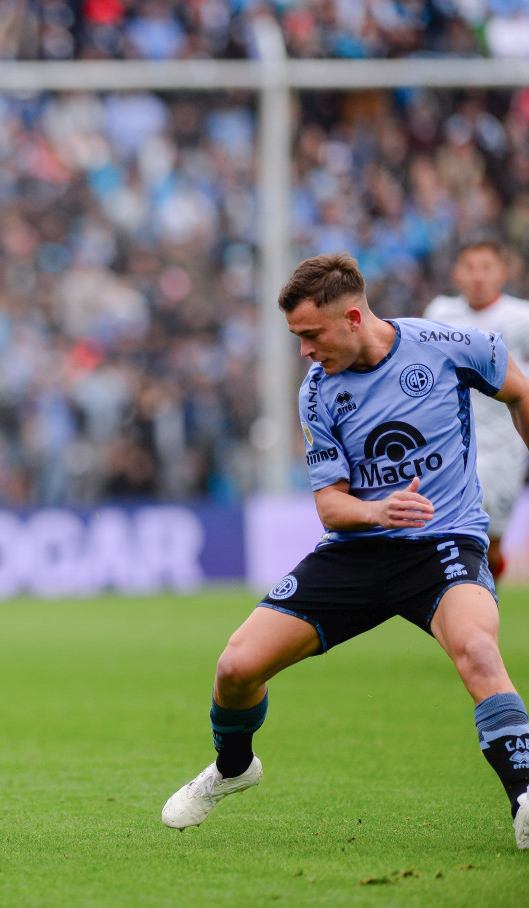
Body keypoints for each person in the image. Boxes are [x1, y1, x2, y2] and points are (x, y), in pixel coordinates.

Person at [161, 252, 529, 849]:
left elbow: (519, 390)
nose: (304, 351)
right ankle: (234, 769)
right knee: (235, 668)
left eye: (311, 335)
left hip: (443, 543)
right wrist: (376, 511)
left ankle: (526, 797)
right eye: (296, 338)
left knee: (480, 652)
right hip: (356, 551)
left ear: (353, 318)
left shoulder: (448, 345)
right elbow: (331, 505)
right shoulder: (317, 393)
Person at [424, 238, 529, 580]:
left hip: (504, 447)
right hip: (455, 445)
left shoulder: (521, 317)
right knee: (452, 535)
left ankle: (486, 598)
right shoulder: (440, 314)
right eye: (470, 268)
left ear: (502, 272)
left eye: (486, 268)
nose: (478, 277)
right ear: (457, 274)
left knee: (490, 544)